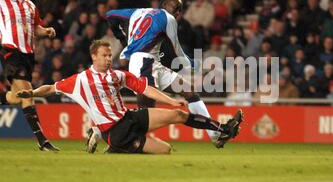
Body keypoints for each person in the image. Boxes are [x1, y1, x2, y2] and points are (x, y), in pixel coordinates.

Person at [15, 40, 243, 154]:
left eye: (109, 55)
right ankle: (112, 146)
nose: (108, 59)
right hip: (116, 132)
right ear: (93, 57)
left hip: (128, 118)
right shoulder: (80, 80)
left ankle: (222, 128)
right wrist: (32, 92)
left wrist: (171, 100)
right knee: (166, 150)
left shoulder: (118, 75)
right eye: (104, 55)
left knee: (178, 113)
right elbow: (51, 88)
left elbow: (145, 89)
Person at [104, 0, 224, 149]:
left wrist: (122, 38)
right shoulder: (169, 18)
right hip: (143, 62)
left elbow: (110, 15)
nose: (179, 13)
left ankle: (215, 135)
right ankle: (114, 137)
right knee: (147, 110)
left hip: (152, 62)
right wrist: (195, 64)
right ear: (170, 7)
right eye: (178, 9)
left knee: (187, 90)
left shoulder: (138, 12)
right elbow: (177, 51)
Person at [0, 0, 59, 151]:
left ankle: (4, 97)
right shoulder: (1, 4)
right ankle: (43, 141)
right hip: (11, 52)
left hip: (28, 55)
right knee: (28, 92)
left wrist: (46, 31)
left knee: (18, 96)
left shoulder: (30, 6)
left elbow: (36, 29)